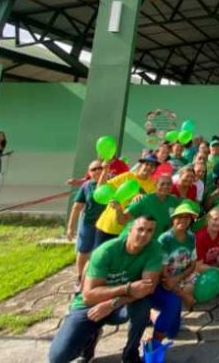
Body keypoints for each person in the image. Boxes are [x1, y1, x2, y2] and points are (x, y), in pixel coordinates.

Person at [48, 216, 162, 363]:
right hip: (90, 305)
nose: (144, 234)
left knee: (143, 305)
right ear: (130, 230)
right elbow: (89, 296)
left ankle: (130, 354)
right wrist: (127, 288)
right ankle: (90, 340)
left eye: (149, 230)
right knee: (58, 357)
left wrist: (112, 303)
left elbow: (147, 288)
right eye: (140, 229)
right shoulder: (105, 251)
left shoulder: (154, 249)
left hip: (120, 305)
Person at [152, 201, 199, 341]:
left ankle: (169, 312)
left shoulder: (191, 237)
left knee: (174, 331)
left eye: (187, 217)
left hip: (180, 276)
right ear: (173, 219)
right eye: (180, 217)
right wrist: (177, 288)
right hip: (164, 279)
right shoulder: (165, 239)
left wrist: (178, 282)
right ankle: (152, 313)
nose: (183, 220)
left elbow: (193, 264)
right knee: (171, 329)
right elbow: (163, 270)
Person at [93, 154, 159, 248]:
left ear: (154, 169)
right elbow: (101, 188)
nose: (148, 167)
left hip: (127, 232)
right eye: (147, 164)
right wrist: (105, 170)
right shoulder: (127, 176)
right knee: (98, 258)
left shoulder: (153, 186)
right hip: (107, 226)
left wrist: (142, 198)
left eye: (152, 166)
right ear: (141, 165)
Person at [67, 160, 107, 285]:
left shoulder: (111, 183)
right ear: (89, 173)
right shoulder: (86, 186)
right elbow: (77, 207)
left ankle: (99, 278)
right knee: (83, 251)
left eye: (99, 168)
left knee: (102, 252)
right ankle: (79, 277)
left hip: (105, 225)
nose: (97, 171)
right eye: (93, 169)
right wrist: (70, 227)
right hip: (88, 223)